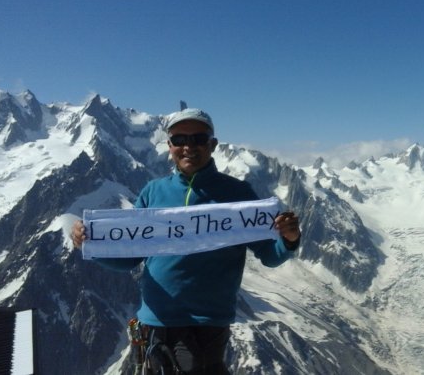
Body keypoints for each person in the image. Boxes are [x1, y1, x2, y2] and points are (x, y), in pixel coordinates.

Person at [71, 108, 301, 374]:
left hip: (207, 324)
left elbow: (270, 256)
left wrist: (289, 239)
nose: (188, 147)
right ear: (169, 146)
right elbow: (129, 258)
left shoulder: (238, 192)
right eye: (179, 140)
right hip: (154, 322)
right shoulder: (152, 192)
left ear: (212, 145)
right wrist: (92, 244)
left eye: (198, 139)